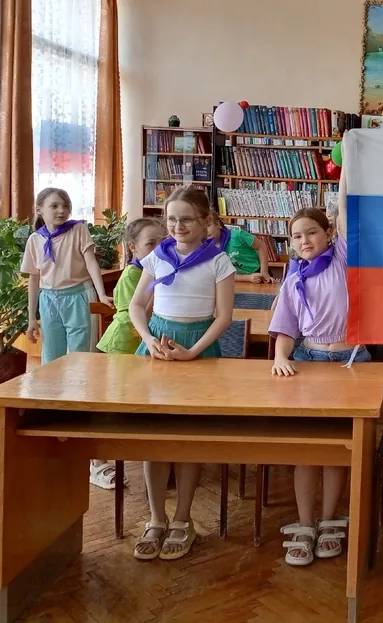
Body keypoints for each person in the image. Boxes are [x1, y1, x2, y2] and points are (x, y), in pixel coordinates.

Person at [128, 186, 236, 561]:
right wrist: (148, 338)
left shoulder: (219, 261)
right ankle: (156, 518)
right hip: (158, 347)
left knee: (188, 438)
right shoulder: (157, 256)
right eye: (172, 219)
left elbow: (224, 317)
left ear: (206, 221)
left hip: (198, 350)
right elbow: (137, 305)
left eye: (187, 219)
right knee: (154, 438)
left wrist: (193, 351)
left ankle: (183, 519)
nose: (178, 226)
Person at [268, 206, 369, 566]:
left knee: (337, 449)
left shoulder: (342, 258)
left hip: (350, 363)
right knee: (307, 448)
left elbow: (346, 209)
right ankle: (305, 523)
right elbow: (286, 326)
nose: (304, 241)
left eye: (311, 232)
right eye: (296, 236)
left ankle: (328, 520)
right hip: (309, 361)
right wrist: (281, 356)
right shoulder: (293, 276)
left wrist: (347, 170)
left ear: (329, 233)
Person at [21, 188, 115, 489]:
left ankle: (85, 434)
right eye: (54, 206)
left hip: (78, 296)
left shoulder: (78, 231)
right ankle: (55, 429)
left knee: (81, 362)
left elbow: (91, 263)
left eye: (65, 205)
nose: (61, 210)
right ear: (40, 209)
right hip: (49, 300)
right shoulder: (35, 240)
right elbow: (34, 279)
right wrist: (32, 317)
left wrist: (101, 294)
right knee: (51, 363)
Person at [97, 217, 166, 355]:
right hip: (121, 342)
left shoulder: (153, 270)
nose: (158, 249)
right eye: (151, 244)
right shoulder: (131, 274)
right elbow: (139, 311)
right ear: (133, 246)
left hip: (139, 339)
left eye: (163, 243)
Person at [208, 213, 274, 283]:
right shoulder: (207, 251)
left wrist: (264, 272)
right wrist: (248, 278)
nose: (205, 231)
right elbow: (223, 275)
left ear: (218, 224)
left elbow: (261, 246)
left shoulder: (237, 235)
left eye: (208, 225)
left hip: (259, 272)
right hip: (239, 279)